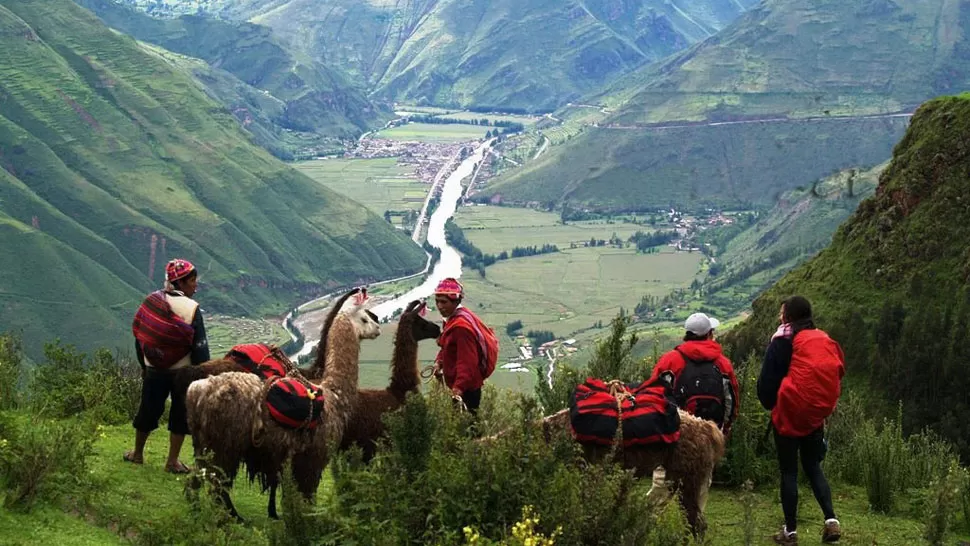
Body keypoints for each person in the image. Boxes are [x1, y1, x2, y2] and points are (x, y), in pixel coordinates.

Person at [758, 296, 844, 545]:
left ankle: (790, 532)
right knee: (813, 466)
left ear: (788, 317)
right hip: (814, 416)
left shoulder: (781, 342)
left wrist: (771, 403)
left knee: (789, 472)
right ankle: (831, 520)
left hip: (787, 415)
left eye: (781, 313)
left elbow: (766, 385)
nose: (779, 316)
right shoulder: (821, 339)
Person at [125, 258, 210, 474]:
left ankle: (137, 453)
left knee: (147, 409)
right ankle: (172, 461)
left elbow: (140, 336)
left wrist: (144, 365)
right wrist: (204, 375)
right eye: (192, 281)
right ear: (180, 283)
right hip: (183, 372)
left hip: (153, 368)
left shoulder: (151, 301)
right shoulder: (191, 309)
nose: (195, 286)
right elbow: (200, 347)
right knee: (180, 415)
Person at [648, 312, 739, 437]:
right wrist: (724, 429)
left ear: (687, 334)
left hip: (677, 433)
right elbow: (731, 401)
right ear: (709, 334)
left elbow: (653, 395)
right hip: (712, 434)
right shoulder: (723, 364)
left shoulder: (669, 361)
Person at [432, 277, 493, 414]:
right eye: (437, 302)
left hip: (467, 388)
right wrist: (439, 361)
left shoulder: (461, 328)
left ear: (456, 302)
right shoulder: (453, 318)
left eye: (444, 302)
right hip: (462, 385)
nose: (440, 306)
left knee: (467, 428)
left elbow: (468, 363)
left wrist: (458, 389)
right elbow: (447, 346)